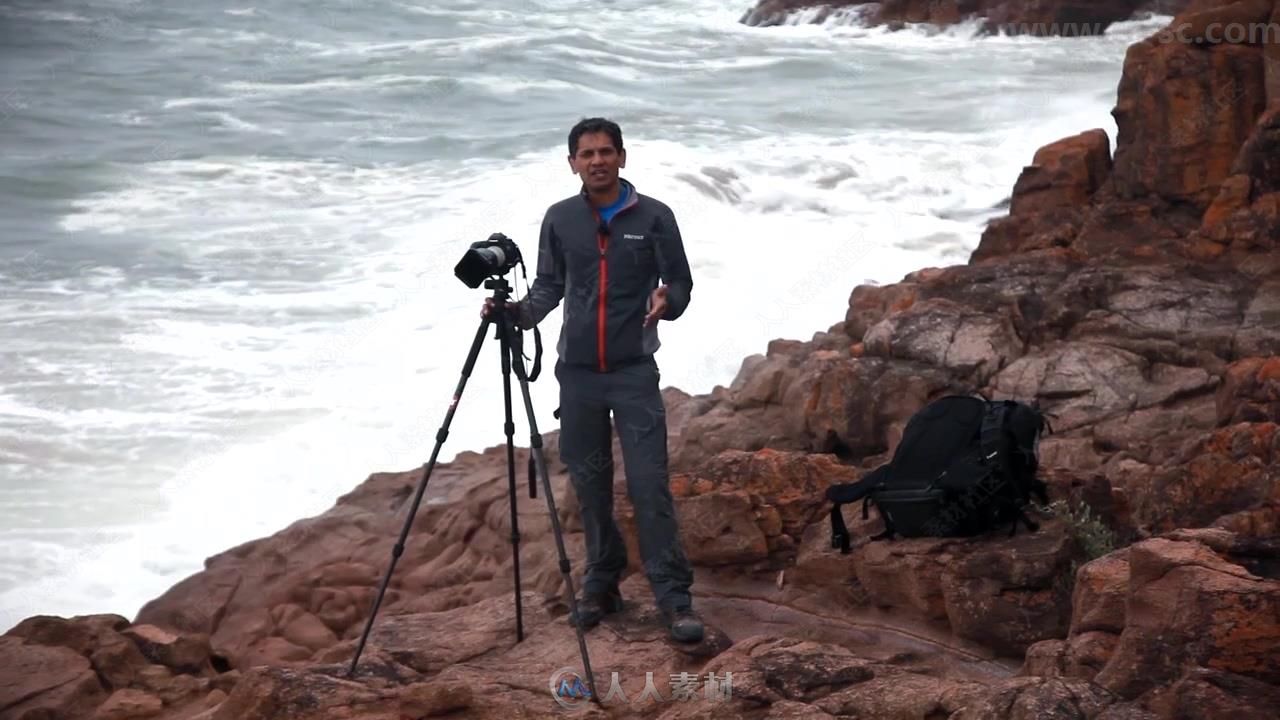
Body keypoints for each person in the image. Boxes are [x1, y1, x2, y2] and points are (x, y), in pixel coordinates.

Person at [482, 117, 702, 643]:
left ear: (623, 157)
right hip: (576, 376)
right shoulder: (560, 219)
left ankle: (673, 597)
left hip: (633, 375)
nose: (597, 160)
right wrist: (514, 314)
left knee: (649, 487)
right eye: (587, 154)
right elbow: (549, 287)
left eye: (606, 151)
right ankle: (602, 583)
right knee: (590, 487)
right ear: (572, 163)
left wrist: (666, 300)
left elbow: (682, 282)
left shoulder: (654, 217)